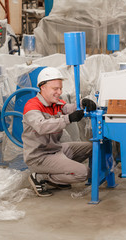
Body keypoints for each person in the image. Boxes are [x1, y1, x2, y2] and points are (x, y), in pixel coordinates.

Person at [22, 67, 97, 197]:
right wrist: (67, 119)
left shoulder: (56, 102)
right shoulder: (32, 106)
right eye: (55, 89)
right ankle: (40, 176)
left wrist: (83, 103)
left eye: (60, 88)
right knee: (83, 173)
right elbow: (41, 127)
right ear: (42, 87)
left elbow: (69, 108)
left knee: (92, 147)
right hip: (39, 156)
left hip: (56, 149)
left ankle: (58, 174)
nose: (59, 92)